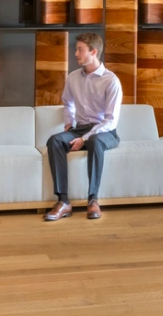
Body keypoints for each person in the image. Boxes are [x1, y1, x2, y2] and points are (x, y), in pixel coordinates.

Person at [45, 32, 122, 222]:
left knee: (95, 141)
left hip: (105, 132)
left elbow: (110, 120)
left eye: (80, 49)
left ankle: (93, 200)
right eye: (76, 49)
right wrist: (69, 123)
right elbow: (68, 103)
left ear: (93, 52)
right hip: (79, 128)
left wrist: (85, 139)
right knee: (54, 140)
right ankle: (63, 202)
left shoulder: (111, 81)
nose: (75, 53)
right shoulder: (73, 77)